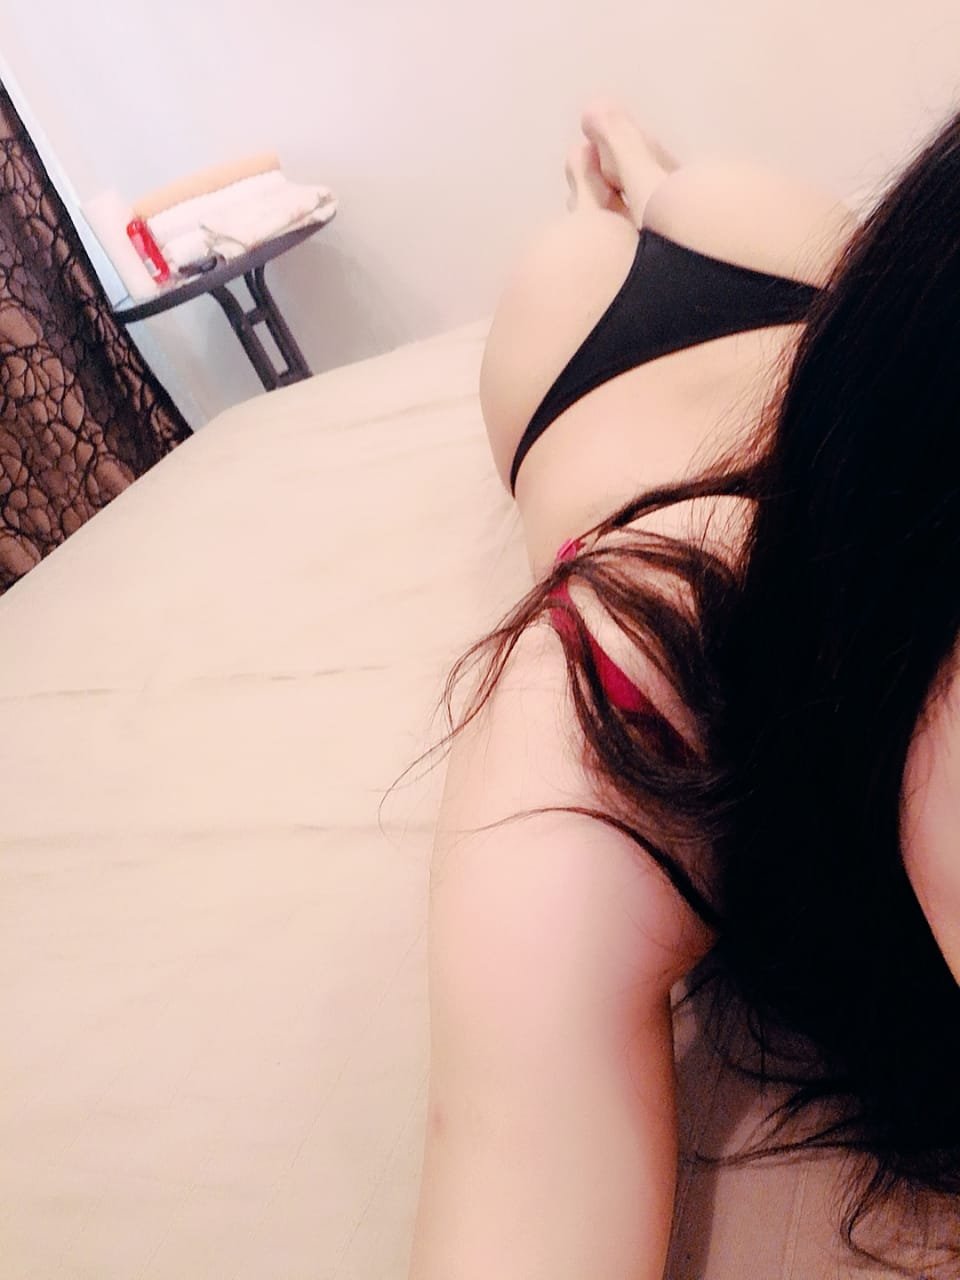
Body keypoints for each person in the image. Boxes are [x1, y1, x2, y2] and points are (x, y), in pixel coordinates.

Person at [405, 98, 960, 1280]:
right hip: (584, 365)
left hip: (816, 324)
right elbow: (514, 1172)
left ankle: (639, 162)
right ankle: (600, 171)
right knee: (580, 234)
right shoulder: (633, 680)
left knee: (681, 183)